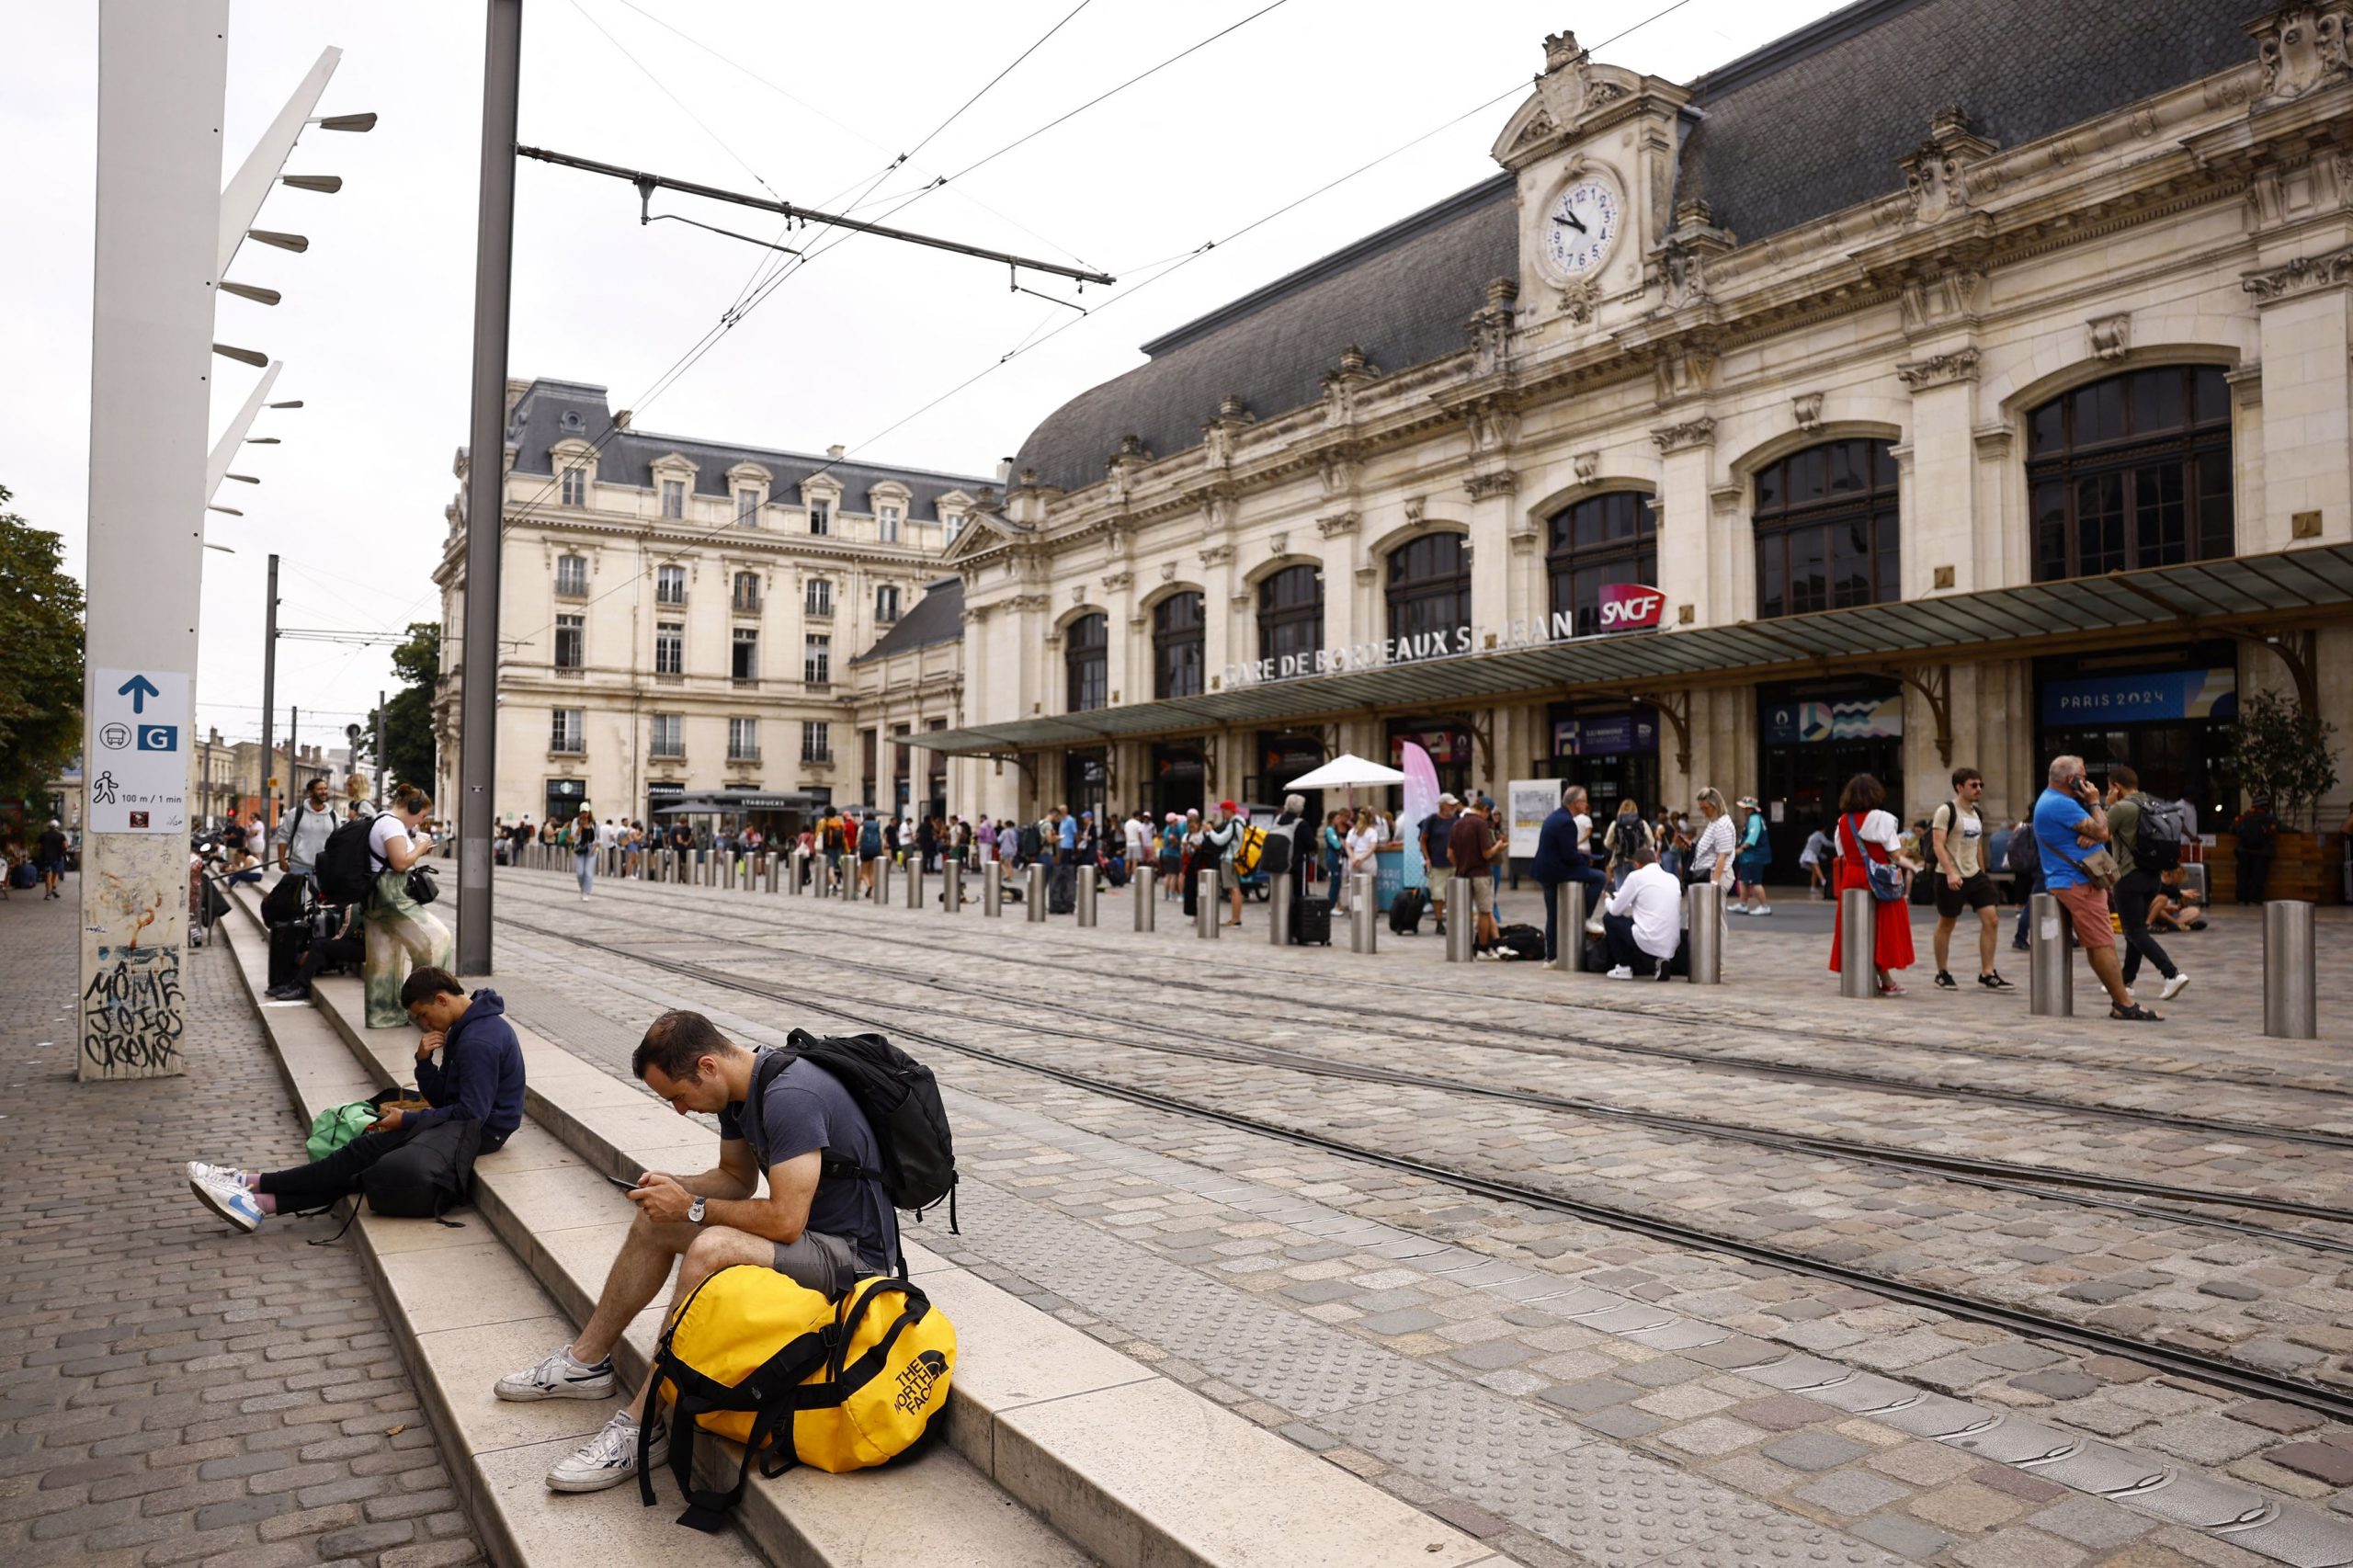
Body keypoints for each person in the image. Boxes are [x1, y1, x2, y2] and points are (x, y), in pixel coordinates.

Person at [502, 1010, 900, 1494]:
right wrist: (675, 1186)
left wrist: (691, 1208)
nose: (681, 1111)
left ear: (708, 1067)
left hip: (853, 1261)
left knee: (710, 1244)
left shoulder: (791, 1097)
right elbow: (736, 1179)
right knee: (656, 1222)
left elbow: (785, 1219)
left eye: (679, 1096)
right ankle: (586, 1363)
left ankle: (643, 1425)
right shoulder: (739, 1092)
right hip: (806, 1239)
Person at [188, 966, 524, 1232]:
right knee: (365, 1156)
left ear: (441, 999)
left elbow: (471, 1114)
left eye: (422, 1015)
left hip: (483, 1132)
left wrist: (406, 1120)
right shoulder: (463, 1029)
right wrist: (423, 1063)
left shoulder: (479, 1041)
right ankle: (260, 1202)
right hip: (466, 1123)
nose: (423, 1024)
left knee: (363, 1152)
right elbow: (443, 1099)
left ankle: (247, 1182)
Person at [2034, 755, 2158, 1021]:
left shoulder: (2055, 801)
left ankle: (2120, 1001)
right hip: (2078, 882)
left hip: (2070, 880)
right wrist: (2094, 802)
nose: (2087, 779)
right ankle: (2124, 1003)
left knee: (2095, 943)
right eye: (2083, 774)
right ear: (2072, 779)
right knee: (2103, 942)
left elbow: (2100, 831)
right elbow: (2104, 832)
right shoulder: (2063, 805)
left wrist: (2095, 824)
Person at [362, 785, 453, 1029]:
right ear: (413, 808)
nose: (421, 821)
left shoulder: (380, 820)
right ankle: (427, 1010)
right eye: (422, 815)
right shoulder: (392, 824)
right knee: (437, 939)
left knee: (384, 956)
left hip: (374, 896)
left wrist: (415, 850)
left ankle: (383, 1014)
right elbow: (400, 863)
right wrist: (421, 848)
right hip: (390, 895)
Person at [1827, 773, 1916, 996]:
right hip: (1877, 877)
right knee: (1883, 927)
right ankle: (1885, 979)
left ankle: (1863, 975)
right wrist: (1912, 862)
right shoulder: (1881, 818)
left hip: (1852, 876)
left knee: (1855, 927)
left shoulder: (1842, 821)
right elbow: (1895, 854)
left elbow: (1842, 852)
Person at [2106, 766, 2189, 1003]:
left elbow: (2101, 832)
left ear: (2116, 787)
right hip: (2152, 877)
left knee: (2135, 931)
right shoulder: (2152, 804)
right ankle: (2126, 981)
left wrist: (2107, 804)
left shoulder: (2122, 808)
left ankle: (2171, 973)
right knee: (2136, 929)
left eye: (2110, 787)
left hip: (2128, 876)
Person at [1929, 767, 2009, 991]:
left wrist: (1982, 873)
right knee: (1947, 923)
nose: (1979, 789)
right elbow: (1938, 844)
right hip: (1949, 874)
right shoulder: (1946, 811)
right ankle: (1942, 972)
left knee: (1992, 919)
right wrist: (1951, 872)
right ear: (1959, 787)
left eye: (1980, 785)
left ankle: (1987, 972)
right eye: (1973, 785)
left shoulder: (1977, 813)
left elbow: (1977, 845)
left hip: (1974, 874)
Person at [1531, 783, 1606, 962]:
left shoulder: (1555, 817)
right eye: (1585, 802)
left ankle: (1552, 956)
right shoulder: (1567, 822)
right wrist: (1585, 861)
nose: (1586, 806)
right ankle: (1585, 917)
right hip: (1558, 871)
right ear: (1577, 803)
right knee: (1599, 877)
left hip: (1545, 870)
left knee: (1553, 914)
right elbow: (1569, 855)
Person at [1601, 844, 1681, 979]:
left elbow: (1616, 910)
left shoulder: (1636, 877)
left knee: (1610, 918)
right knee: (1637, 922)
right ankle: (1660, 961)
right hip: (1671, 942)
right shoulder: (1672, 878)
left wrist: (1608, 900)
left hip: (1648, 939)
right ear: (1656, 860)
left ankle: (1624, 967)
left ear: (1637, 864)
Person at [1447, 795, 1508, 955]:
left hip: (1462, 875)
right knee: (1485, 911)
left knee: (1466, 911)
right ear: (1485, 810)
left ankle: (1493, 944)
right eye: (1489, 813)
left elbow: (1450, 854)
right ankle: (1482, 947)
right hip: (1481, 873)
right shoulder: (1480, 824)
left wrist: (1461, 865)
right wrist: (1498, 847)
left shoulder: (1457, 824)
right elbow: (1487, 854)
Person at [271, 777, 339, 884]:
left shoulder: (333, 815)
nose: (324, 792)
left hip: (324, 869)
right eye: (320, 789)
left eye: (325, 789)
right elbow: (283, 836)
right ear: (310, 792)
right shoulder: (296, 813)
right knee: (297, 900)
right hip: (299, 867)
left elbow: (338, 840)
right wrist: (281, 859)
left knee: (322, 901)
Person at [1419, 793, 1461, 933]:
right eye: (1451, 805)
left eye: (1454, 805)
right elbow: (1423, 839)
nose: (1453, 807)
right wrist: (1427, 858)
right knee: (1438, 894)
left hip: (1454, 862)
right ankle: (1439, 922)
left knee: (1453, 894)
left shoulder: (1456, 819)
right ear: (1442, 806)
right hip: (1437, 862)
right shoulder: (1432, 820)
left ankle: (1453, 921)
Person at [1688, 788, 1737, 899]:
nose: (1704, 812)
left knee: (1714, 914)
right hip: (1708, 875)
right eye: (1701, 809)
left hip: (1716, 875)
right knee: (1708, 914)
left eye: (1706, 808)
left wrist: (1714, 883)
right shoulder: (1715, 822)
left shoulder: (1721, 825)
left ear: (1716, 805)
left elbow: (1722, 856)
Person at [2232, 798, 2278, 904]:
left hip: (2243, 851)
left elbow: (2232, 829)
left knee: (2242, 876)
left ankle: (2241, 899)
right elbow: (2274, 830)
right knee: (2258, 877)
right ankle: (2254, 899)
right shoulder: (2268, 818)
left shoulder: (2243, 817)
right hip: (2261, 852)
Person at [1731, 797, 1772, 915]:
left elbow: (1752, 837)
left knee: (1755, 882)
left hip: (1754, 856)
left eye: (1745, 808)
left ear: (1750, 809)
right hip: (1749, 857)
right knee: (1744, 880)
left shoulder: (1754, 819)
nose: (1744, 811)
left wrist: (1741, 848)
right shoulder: (1755, 819)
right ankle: (1743, 904)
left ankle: (1765, 906)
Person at [1601, 799, 1650, 891]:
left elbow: (1607, 843)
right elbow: (1651, 842)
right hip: (1639, 861)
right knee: (1638, 890)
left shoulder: (1615, 824)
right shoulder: (1642, 823)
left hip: (1620, 860)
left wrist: (1617, 846)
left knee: (1621, 891)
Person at [34, 818, 69, 901]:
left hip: (46, 858)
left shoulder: (43, 835)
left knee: (48, 875)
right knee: (56, 873)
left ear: (49, 826)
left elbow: (38, 847)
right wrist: (62, 851)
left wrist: (42, 852)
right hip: (57, 857)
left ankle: (48, 894)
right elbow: (65, 846)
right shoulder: (61, 835)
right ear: (57, 827)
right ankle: (54, 888)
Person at [1799, 823, 1831, 900]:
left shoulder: (1813, 835)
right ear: (1824, 829)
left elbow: (1814, 847)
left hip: (1808, 853)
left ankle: (1813, 887)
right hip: (1810, 853)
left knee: (1814, 871)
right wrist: (1836, 844)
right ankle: (1823, 881)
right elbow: (1826, 843)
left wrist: (1820, 855)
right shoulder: (1819, 834)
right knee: (1816, 866)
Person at [573, 807, 599, 901]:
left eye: (586, 812)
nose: (584, 814)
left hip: (591, 848)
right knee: (580, 872)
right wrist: (581, 825)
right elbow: (575, 837)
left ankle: (586, 892)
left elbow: (598, 838)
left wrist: (596, 845)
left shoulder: (595, 823)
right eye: (582, 812)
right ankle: (582, 888)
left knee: (588, 872)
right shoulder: (576, 821)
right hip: (580, 848)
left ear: (589, 812)